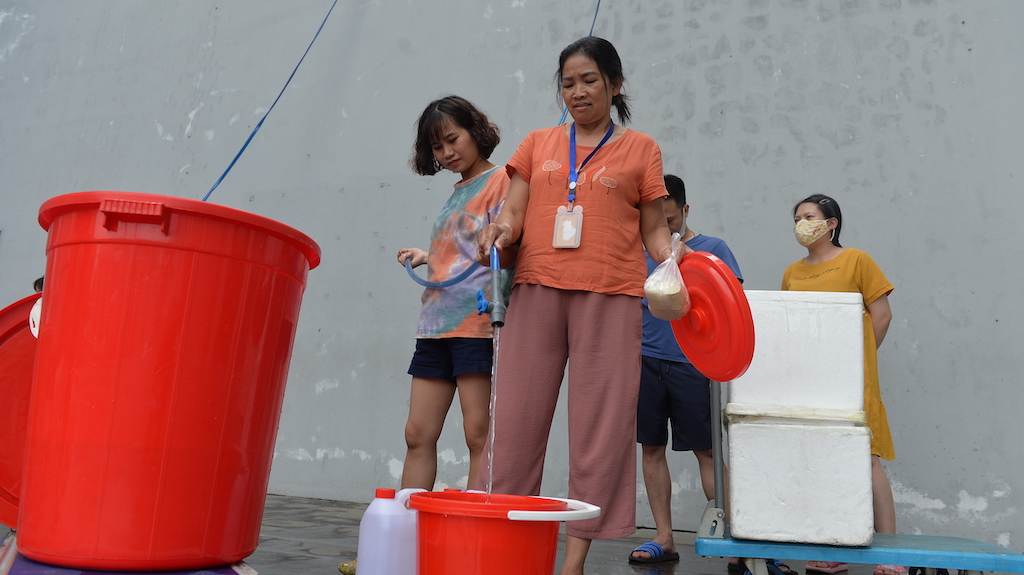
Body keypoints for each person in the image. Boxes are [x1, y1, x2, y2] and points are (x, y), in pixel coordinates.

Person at [476, 37, 685, 575]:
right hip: (537, 287)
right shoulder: (538, 143)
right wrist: (500, 230)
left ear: (615, 85)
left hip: (611, 295)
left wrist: (672, 259)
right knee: (515, 425)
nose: (578, 91)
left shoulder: (642, 149)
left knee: (600, 427)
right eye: (568, 83)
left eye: (589, 80)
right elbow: (514, 213)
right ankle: (508, 553)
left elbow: (654, 228)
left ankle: (573, 562)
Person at [339, 95, 510, 575]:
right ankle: (403, 543)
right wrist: (425, 256)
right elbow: (458, 253)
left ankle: (472, 546)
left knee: (478, 434)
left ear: (476, 131)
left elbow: (503, 248)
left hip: (477, 324)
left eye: (452, 139)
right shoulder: (457, 189)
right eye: (437, 147)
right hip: (435, 324)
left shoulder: (503, 181)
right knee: (418, 433)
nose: (447, 152)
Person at [782, 194, 901, 575]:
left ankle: (889, 557)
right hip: (809, 382)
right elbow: (789, 324)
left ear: (831, 223)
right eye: (798, 217)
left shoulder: (857, 260)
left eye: (810, 216)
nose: (802, 222)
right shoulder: (791, 272)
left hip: (852, 380)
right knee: (821, 462)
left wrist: (854, 361)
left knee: (867, 461)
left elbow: (881, 315)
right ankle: (832, 550)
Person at [629, 174, 743, 565]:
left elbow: (731, 308)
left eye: (672, 221)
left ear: (685, 211)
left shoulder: (712, 250)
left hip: (694, 366)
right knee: (652, 448)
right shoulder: (639, 253)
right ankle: (664, 538)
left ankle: (735, 538)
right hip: (645, 362)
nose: (667, 231)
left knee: (707, 452)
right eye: (659, 224)